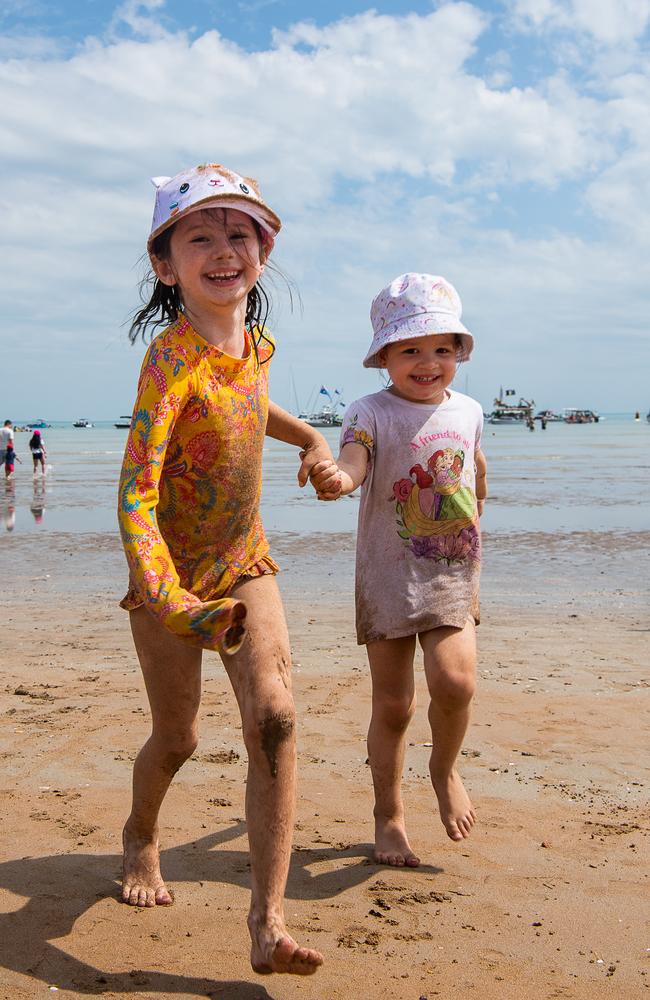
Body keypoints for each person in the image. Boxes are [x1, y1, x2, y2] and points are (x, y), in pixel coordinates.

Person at [117, 163, 329, 976]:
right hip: (168, 574)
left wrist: (310, 439)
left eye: (239, 231)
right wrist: (169, 597)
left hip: (244, 563)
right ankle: (141, 835)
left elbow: (253, 401)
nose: (222, 248)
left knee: (275, 715)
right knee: (179, 738)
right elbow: (135, 490)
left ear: (263, 252)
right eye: (198, 235)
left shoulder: (257, 345)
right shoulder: (169, 363)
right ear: (167, 266)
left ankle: (267, 923)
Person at [309, 273, 488, 867]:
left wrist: (479, 501)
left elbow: (475, 470)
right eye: (410, 349)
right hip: (387, 577)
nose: (427, 361)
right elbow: (354, 462)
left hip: (453, 575)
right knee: (394, 705)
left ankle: (444, 769)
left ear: (458, 353)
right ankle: (389, 816)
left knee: (456, 684)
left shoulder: (469, 410)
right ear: (383, 356)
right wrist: (339, 478)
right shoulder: (369, 411)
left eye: (442, 348)